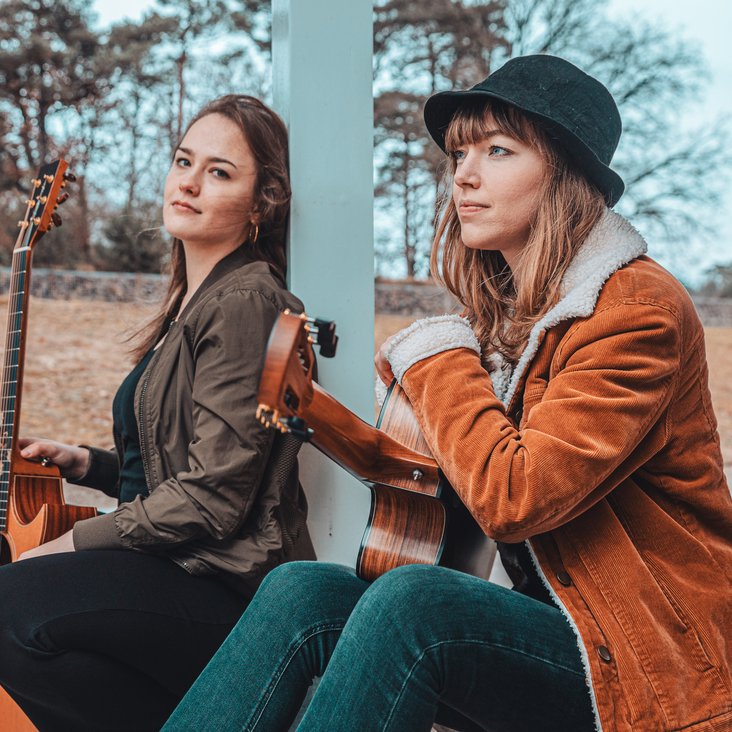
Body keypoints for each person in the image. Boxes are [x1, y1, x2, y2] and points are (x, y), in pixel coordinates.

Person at [162, 56, 732, 732]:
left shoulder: (636, 310)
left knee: (415, 604)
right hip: (569, 630)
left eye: (497, 150)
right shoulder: (516, 318)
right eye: (461, 151)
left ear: (565, 176)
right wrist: (311, 413)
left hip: (653, 660)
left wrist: (439, 361)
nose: (463, 173)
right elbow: (437, 474)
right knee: (301, 589)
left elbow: (514, 495)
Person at [0, 94, 315, 731]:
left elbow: (215, 497)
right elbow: (180, 469)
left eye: (220, 172)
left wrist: (69, 543)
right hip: (172, 569)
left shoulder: (247, 301)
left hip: (222, 587)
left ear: (261, 204)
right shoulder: (195, 304)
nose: (190, 182)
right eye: (183, 161)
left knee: (11, 603)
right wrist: (89, 464)